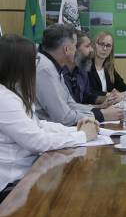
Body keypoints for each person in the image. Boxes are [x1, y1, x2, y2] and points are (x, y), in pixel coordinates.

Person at [0, 34, 98, 199]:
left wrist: (76, 130)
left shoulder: (12, 92)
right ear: (20, 65)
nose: (35, 66)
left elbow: (38, 125)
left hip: (27, 175)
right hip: (12, 185)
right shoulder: (3, 98)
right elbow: (36, 141)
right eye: (34, 61)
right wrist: (82, 136)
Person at [35, 23, 122, 125]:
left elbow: (70, 104)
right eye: (74, 46)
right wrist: (101, 115)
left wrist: (99, 109)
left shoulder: (54, 66)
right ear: (66, 49)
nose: (76, 50)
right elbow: (64, 118)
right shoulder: (45, 69)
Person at [89, 31, 126, 101]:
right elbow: (87, 92)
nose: (104, 48)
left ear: (111, 49)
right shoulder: (86, 67)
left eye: (108, 45)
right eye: (102, 44)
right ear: (95, 45)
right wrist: (109, 94)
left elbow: (122, 86)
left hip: (109, 107)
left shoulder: (109, 68)